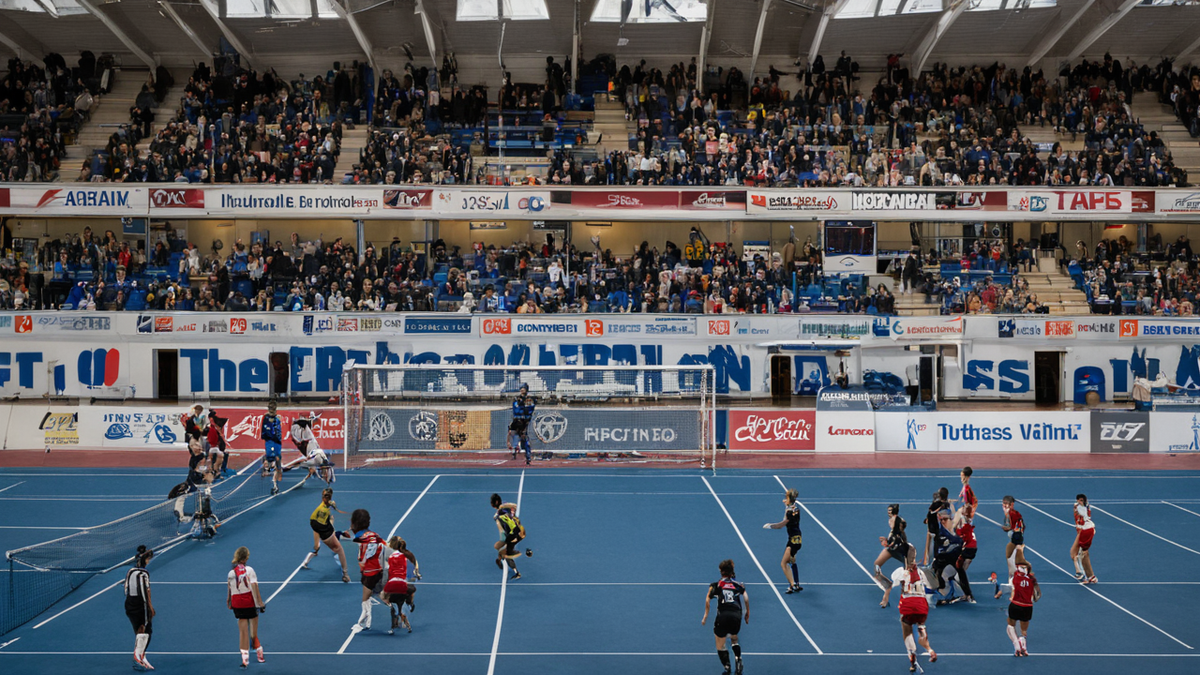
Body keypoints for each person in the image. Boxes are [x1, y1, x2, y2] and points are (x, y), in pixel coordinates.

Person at [701, 559, 748, 675]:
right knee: (734, 637)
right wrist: (747, 614)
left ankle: (727, 666)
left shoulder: (715, 585)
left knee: (720, 642)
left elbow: (708, 599)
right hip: (736, 615)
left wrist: (706, 615)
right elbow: (745, 597)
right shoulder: (738, 585)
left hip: (723, 616)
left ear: (720, 571)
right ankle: (738, 658)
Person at [890, 557, 937, 672]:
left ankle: (911, 655)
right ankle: (929, 650)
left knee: (906, 628)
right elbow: (931, 586)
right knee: (921, 627)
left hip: (908, 604)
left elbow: (895, 584)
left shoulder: (900, 571)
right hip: (921, 605)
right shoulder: (922, 572)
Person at [349, 509, 387, 632]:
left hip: (370, 571)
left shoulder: (360, 537)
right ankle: (396, 610)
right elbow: (384, 545)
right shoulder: (373, 534)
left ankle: (364, 624)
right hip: (379, 568)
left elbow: (362, 557)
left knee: (365, 598)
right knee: (379, 593)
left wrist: (363, 568)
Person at [301, 488, 350, 583]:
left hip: (314, 524)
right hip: (323, 529)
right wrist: (341, 532)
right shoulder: (326, 511)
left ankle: (305, 562)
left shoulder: (322, 506)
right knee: (339, 549)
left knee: (316, 547)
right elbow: (328, 529)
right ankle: (345, 574)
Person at [227, 546, 265, 668]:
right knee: (253, 633)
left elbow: (230, 588)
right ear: (246, 557)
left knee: (243, 632)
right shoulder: (250, 570)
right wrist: (260, 603)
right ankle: (260, 654)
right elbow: (254, 586)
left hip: (237, 603)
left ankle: (245, 660)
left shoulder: (231, 572)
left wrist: (229, 601)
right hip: (249, 602)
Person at [762, 487, 803, 594]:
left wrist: (770, 526)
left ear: (790, 499)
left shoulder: (789, 512)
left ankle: (793, 585)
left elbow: (781, 525)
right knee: (792, 561)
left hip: (793, 540)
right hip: (798, 538)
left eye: (786, 497)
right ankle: (796, 584)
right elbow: (790, 508)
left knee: (783, 563)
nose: (785, 499)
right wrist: (787, 503)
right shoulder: (796, 508)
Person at [382, 535, 421, 635]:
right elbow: (415, 564)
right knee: (409, 592)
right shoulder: (408, 554)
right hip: (406, 582)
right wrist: (417, 572)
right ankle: (409, 604)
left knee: (392, 602)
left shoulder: (391, 556)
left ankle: (394, 624)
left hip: (394, 583)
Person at [124, 545, 155, 671]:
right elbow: (146, 591)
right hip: (140, 604)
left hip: (129, 603)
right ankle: (138, 657)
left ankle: (142, 656)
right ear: (145, 560)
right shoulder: (144, 574)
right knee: (146, 630)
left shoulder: (130, 571)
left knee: (139, 630)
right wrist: (150, 607)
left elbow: (126, 589)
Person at [875, 504, 914, 601]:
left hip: (900, 549)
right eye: (888, 510)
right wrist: (887, 542)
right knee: (876, 566)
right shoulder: (892, 521)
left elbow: (903, 525)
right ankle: (888, 586)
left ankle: (907, 592)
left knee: (907, 572)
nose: (888, 512)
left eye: (890, 510)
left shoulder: (898, 521)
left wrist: (892, 541)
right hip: (892, 548)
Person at [1002, 560, 1040, 656]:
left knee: (1010, 626)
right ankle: (1024, 648)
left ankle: (1016, 646)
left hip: (1015, 605)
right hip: (1027, 607)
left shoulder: (1015, 577)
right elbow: (1038, 595)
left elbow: (1012, 589)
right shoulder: (1033, 580)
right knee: (1023, 631)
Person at [491, 493, 532, 579]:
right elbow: (514, 507)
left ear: (494, 504)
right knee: (502, 550)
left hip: (514, 535)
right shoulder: (506, 507)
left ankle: (517, 573)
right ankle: (500, 559)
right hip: (521, 530)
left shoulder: (497, 517)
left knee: (505, 554)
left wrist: (504, 541)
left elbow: (502, 532)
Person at [291, 414, 333, 485]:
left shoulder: (308, 439)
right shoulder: (304, 434)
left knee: (312, 464)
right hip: (310, 446)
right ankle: (318, 476)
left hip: (310, 447)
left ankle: (320, 476)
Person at [998, 495, 1026, 588]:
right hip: (1017, 536)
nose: (1004, 506)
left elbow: (1011, 527)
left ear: (1011, 504)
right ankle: (1012, 580)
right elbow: (1022, 526)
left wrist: (1007, 529)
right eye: (1003, 503)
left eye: (1006, 504)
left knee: (1013, 558)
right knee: (1012, 557)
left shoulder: (1011, 513)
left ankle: (1017, 580)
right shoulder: (1015, 513)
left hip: (1016, 537)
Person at [953, 504, 978, 603]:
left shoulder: (962, 522)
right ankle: (967, 595)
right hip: (973, 548)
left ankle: (967, 595)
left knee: (959, 571)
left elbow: (959, 533)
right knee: (961, 571)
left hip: (967, 548)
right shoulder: (969, 520)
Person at [1071, 494, 1097, 584]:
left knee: (1077, 554)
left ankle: (1082, 575)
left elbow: (1083, 513)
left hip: (1085, 531)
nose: (1079, 501)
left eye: (1081, 500)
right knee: (1081, 554)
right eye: (1078, 500)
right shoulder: (1077, 506)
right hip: (1083, 531)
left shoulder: (1081, 508)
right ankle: (1091, 576)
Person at [508, 384, 535, 465]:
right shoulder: (516, 399)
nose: (522, 390)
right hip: (516, 419)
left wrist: (523, 407)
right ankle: (515, 448)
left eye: (524, 389)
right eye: (521, 388)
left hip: (524, 420)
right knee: (512, 433)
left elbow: (529, 409)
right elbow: (515, 409)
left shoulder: (529, 399)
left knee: (524, 436)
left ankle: (528, 455)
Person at [260, 401, 283, 494]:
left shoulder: (278, 418)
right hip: (269, 440)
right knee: (270, 455)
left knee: (277, 457)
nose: (272, 410)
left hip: (276, 440)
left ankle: (279, 469)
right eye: (270, 408)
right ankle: (265, 467)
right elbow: (264, 429)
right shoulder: (266, 417)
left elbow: (278, 430)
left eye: (273, 409)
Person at [922, 488, 950, 565]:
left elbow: (931, 512)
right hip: (941, 528)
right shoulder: (947, 505)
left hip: (934, 527)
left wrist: (928, 518)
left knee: (933, 542)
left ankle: (927, 560)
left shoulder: (936, 504)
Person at [206, 410, 229, 478]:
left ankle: (216, 470)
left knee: (219, 457)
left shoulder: (216, 423)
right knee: (213, 457)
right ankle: (214, 470)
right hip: (214, 444)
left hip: (217, 443)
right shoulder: (211, 426)